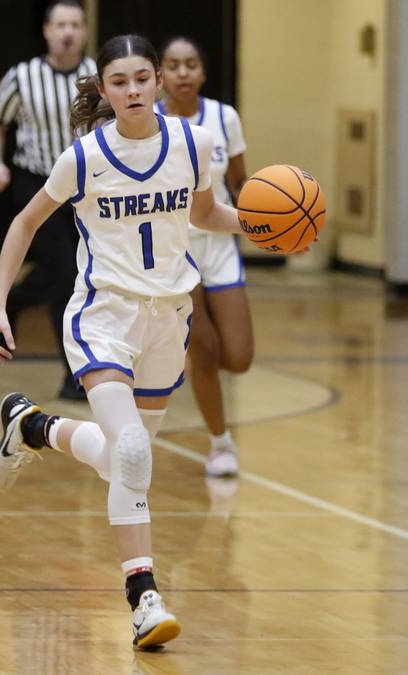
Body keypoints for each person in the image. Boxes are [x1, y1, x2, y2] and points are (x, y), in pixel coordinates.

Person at [0, 34, 249, 650]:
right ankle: (143, 598)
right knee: (131, 455)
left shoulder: (193, 142)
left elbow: (205, 215)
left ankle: (33, 428)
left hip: (167, 319)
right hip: (103, 317)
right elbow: (23, 223)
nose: (132, 90)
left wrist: (262, 223)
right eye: (119, 81)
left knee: (128, 459)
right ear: (103, 89)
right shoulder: (84, 157)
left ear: (157, 82)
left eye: (141, 78)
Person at [0, 0, 95, 400]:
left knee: (77, 271)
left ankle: (12, 296)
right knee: (65, 274)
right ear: (47, 30)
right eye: (60, 24)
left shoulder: (97, 76)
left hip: (86, 185)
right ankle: (74, 375)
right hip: (37, 181)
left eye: (75, 24)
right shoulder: (22, 76)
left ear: (84, 30)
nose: (68, 31)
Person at [157, 36, 253, 477]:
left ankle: (191, 362)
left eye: (190, 64)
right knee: (206, 346)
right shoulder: (151, 122)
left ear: (203, 72)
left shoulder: (223, 117)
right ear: (161, 74)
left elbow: (241, 182)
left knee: (239, 356)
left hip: (219, 246)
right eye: (173, 65)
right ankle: (220, 443)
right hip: (176, 250)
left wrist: (280, 227)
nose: (182, 73)